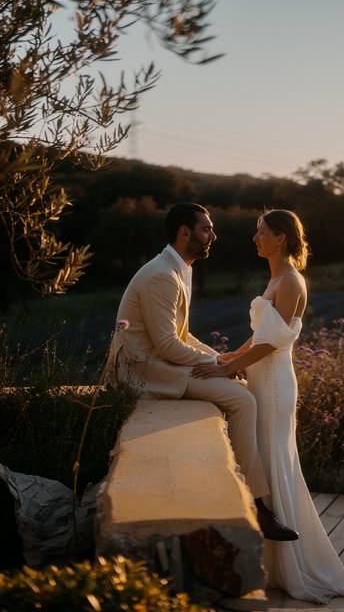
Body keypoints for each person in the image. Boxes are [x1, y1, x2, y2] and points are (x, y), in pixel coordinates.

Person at [191, 210, 344, 610]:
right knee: (268, 462)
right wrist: (226, 357)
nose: (255, 238)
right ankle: (274, 563)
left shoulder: (290, 280)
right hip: (261, 377)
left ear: (282, 237)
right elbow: (260, 336)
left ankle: (293, 567)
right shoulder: (274, 278)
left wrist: (229, 367)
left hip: (273, 384)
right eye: (256, 232)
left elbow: (272, 344)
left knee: (273, 461)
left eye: (262, 232)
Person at [110, 202, 298, 542]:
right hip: (147, 370)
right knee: (243, 401)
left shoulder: (178, 268)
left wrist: (222, 360)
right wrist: (220, 367)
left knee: (241, 394)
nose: (214, 235)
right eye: (206, 229)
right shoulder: (162, 276)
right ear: (185, 233)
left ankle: (254, 501)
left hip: (162, 362)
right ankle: (255, 505)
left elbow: (182, 335)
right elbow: (167, 345)